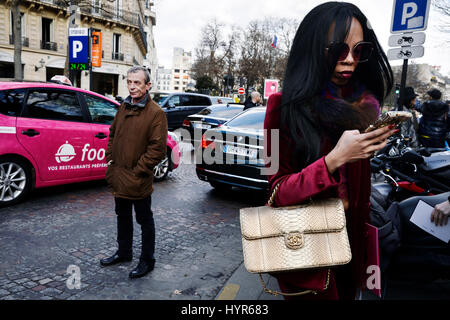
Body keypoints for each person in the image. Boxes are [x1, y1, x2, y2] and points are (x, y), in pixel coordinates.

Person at [264, 2, 397, 300]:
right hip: (308, 258)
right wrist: (334, 160)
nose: (349, 60)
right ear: (314, 49)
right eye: (338, 49)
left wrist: (368, 148)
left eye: (358, 50)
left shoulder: (360, 112)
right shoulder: (279, 108)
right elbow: (275, 190)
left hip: (352, 252)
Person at [100, 66, 168, 279]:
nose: (132, 86)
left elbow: (157, 149)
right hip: (118, 174)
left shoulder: (156, 113)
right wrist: (109, 157)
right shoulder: (123, 106)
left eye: (137, 82)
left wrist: (139, 171)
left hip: (138, 179)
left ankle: (147, 260)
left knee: (144, 219)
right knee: (122, 216)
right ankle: (124, 252)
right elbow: (112, 134)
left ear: (148, 85)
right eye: (129, 82)